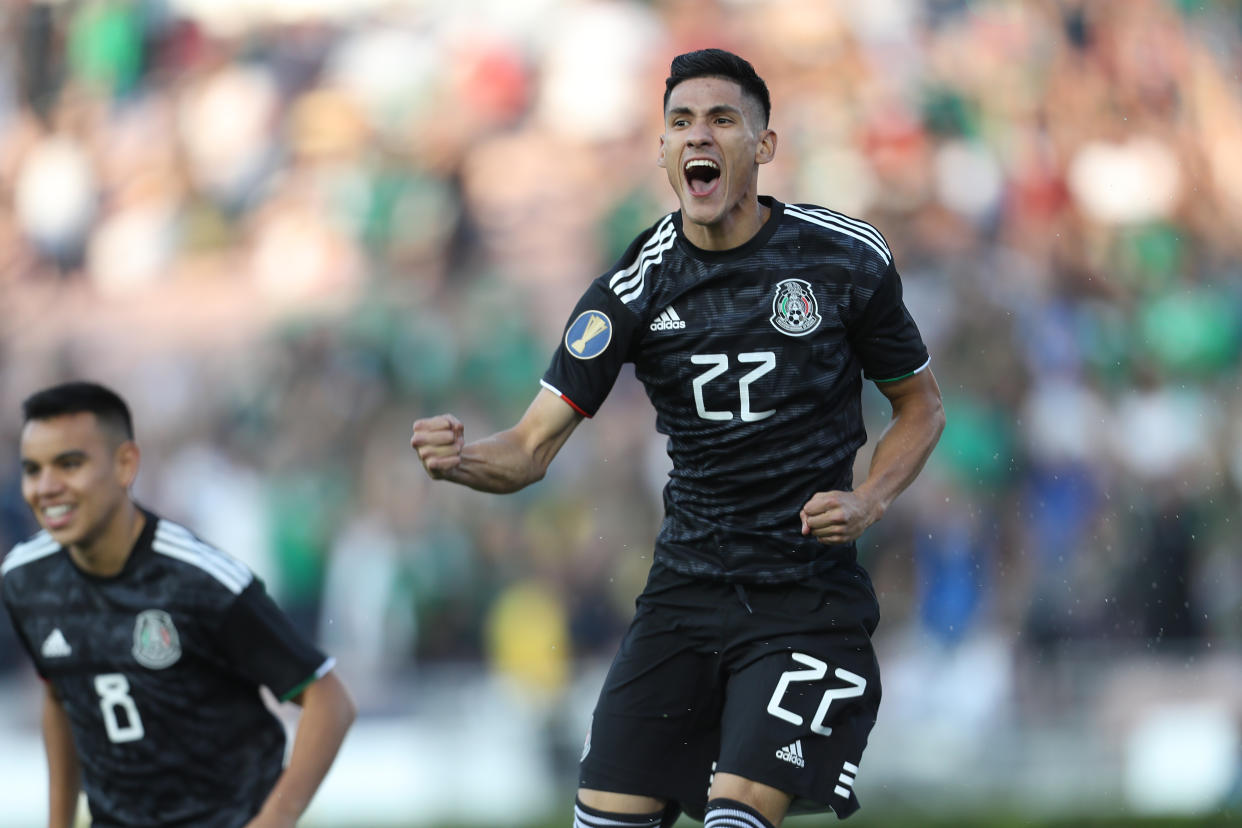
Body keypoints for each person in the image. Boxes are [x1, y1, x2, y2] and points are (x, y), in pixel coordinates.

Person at [411, 49, 945, 828]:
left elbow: (921, 407)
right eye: (680, 123)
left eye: (723, 120)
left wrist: (868, 500)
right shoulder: (633, 288)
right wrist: (460, 459)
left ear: (762, 146)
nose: (699, 137)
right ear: (663, 150)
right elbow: (529, 450)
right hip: (682, 601)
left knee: (736, 817)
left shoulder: (843, 258)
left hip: (804, 601)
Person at [1, 381, 357, 828]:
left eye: (69, 464)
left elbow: (328, 699)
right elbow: (59, 695)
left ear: (125, 464)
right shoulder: (24, 579)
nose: (46, 487)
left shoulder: (199, 580)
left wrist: (275, 819)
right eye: (32, 469)